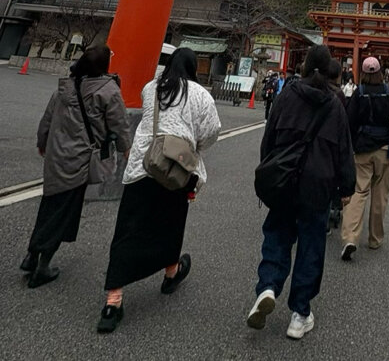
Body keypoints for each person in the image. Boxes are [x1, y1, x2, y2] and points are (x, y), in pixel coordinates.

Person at [97, 47, 221, 333]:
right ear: (193, 68)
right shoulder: (201, 95)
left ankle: (113, 300)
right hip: (176, 167)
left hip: (144, 164)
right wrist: (194, 146)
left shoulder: (151, 88)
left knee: (129, 228)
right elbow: (212, 130)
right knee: (170, 224)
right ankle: (171, 273)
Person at [247, 45, 355, 340]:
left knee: (277, 234)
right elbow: (344, 150)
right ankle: (300, 314)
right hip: (318, 185)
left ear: (305, 66)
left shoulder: (288, 95)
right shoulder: (335, 104)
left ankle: (268, 286)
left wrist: (268, 170)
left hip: (285, 179)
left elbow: (270, 137)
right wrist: (346, 187)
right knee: (311, 246)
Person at [22, 44, 131, 288]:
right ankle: (42, 266)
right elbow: (119, 123)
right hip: (79, 159)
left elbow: (48, 117)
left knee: (50, 204)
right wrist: (126, 147)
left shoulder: (67, 86)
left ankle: (31, 255)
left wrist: (42, 141)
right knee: (63, 212)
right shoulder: (108, 90)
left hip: (56, 154)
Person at [340, 56, 389, 261]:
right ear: (379, 72)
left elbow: (349, 121)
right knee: (380, 195)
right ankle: (375, 238)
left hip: (362, 149)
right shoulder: (388, 92)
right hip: (383, 148)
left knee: (358, 192)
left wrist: (350, 145)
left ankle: (350, 237)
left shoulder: (359, 92)